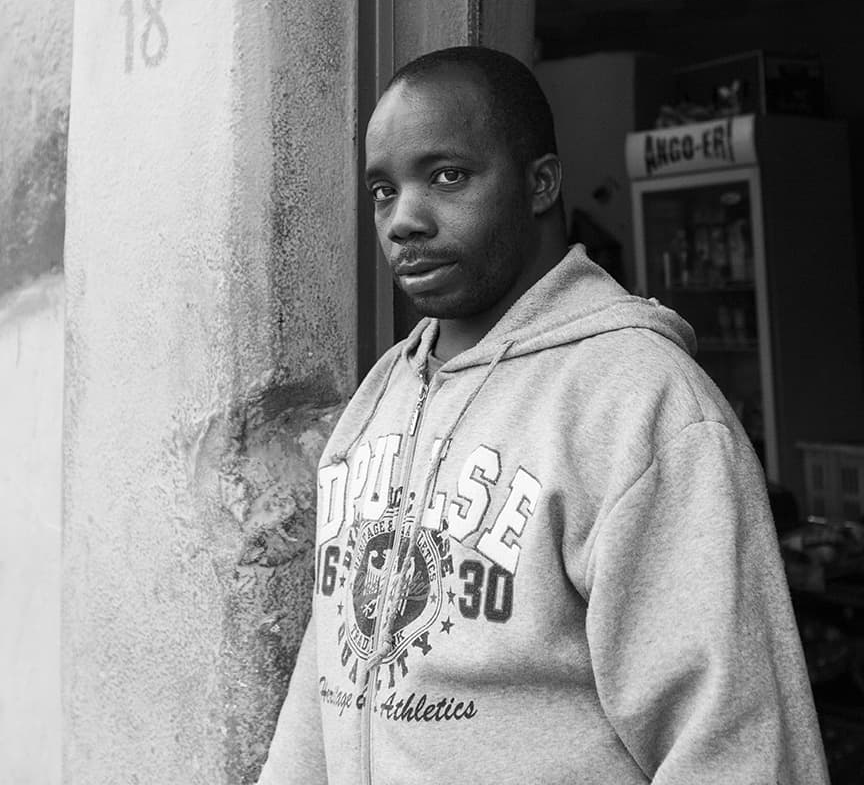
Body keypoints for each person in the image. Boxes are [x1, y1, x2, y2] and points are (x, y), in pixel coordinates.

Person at [258, 46, 828, 785]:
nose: (405, 219)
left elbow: (735, 745)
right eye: (382, 191)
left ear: (541, 184)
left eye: (447, 176)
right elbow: (328, 667)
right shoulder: (383, 394)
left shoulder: (641, 403)